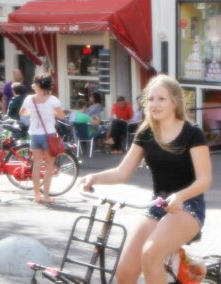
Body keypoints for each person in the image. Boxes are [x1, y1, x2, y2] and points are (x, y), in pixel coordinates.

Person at [81, 74, 212, 283]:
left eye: (162, 99)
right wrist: (93, 178)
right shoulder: (146, 132)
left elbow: (204, 180)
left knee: (151, 254)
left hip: (188, 206)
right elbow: (122, 172)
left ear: (175, 101)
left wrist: (180, 196)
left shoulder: (192, 133)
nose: (155, 104)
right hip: (158, 204)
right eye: (150, 99)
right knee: (124, 272)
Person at [19, 73, 65, 204]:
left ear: (37, 85)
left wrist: (33, 112)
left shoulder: (29, 99)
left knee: (37, 165)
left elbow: (22, 113)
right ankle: (46, 196)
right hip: (49, 134)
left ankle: (36, 195)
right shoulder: (53, 100)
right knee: (49, 166)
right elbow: (61, 116)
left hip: (34, 134)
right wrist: (51, 112)